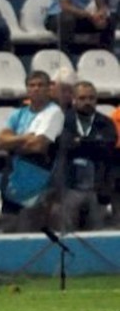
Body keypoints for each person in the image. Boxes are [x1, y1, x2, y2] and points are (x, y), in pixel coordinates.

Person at [0, 70, 65, 233]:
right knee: (8, 231)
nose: (36, 89)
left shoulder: (54, 113)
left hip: (38, 181)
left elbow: (38, 146)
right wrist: (25, 138)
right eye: (32, 85)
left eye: (40, 85)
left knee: (28, 232)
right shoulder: (18, 114)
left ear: (49, 88)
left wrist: (12, 142)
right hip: (13, 179)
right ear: (27, 89)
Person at [58, 81, 115, 232]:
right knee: (67, 234)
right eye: (82, 98)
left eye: (91, 98)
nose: (87, 102)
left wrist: (79, 142)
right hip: (68, 187)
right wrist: (92, 142)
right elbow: (63, 145)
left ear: (96, 100)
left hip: (97, 188)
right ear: (74, 99)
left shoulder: (105, 123)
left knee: (95, 235)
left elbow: (107, 148)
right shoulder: (62, 121)